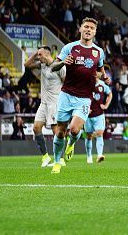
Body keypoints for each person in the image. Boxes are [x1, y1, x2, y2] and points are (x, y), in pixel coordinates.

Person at [49, 17, 109, 174]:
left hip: (84, 98)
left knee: (75, 130)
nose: (89, 30)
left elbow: (101, 71)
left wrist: (105, 77)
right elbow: (53, 67)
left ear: (95, 32)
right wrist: (63, 63)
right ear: (80, 29)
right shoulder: (70, 47)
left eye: (92, 28)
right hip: (66, 94)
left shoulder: (99, 52)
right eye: (86, 27)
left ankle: (71, 144)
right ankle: (56, 162)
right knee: (60, 131)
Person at [24, 46, 66, 167]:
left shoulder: (59, 67)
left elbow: (66, 82)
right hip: (43, 103)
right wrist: (35, 54)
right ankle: (46, 157)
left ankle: (60, 159)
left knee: (55, 131)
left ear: (47, 54)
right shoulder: (42, 65)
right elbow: (26, 65)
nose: (38, 57)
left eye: (40, 55)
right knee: (36, 128)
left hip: (54, 103)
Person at [84, 73, 112, 163]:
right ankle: (89, 156)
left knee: (100, 133)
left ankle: (100, 155)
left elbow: (110, 94)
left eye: (96, 74)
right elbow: (80, 97)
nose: (95, 75)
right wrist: (85, 108)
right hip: (88, 116)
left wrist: (106, 105)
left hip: (99, 114)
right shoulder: (86, 84)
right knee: (88, 137)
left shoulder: (102, 85)